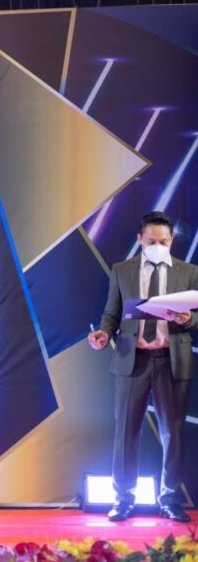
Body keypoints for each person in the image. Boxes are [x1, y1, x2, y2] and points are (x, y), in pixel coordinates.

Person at [88, 211, 198, 522]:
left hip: (171, 359)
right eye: (152, 241)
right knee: (126, 432)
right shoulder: (122, 270)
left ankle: (170, 499)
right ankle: (123, 498)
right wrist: (103, 333)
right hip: (133, 359)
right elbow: (111, 314)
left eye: (164, 241)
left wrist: (189, 319)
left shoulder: (189, 272)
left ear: (172, 240)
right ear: (140, 240)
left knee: (173, 433)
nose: (158, 246)